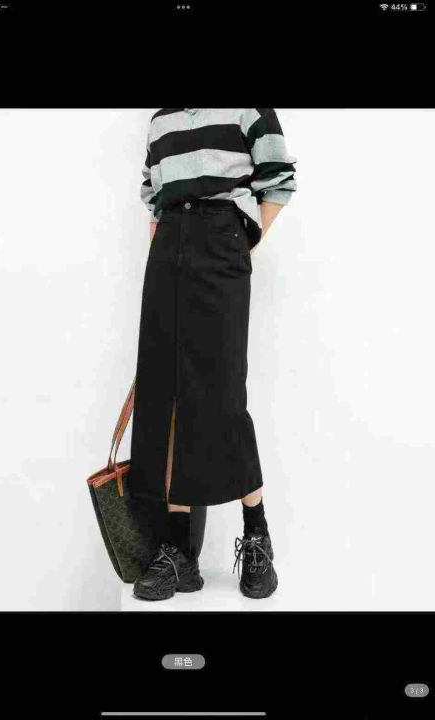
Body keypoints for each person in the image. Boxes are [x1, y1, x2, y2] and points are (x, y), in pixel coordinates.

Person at [129, 108, 297, 601]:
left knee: (222, 394)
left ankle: (257, 535)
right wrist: (163, 250)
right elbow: (153, 196)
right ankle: (179, 552)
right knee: (166, 393)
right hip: (167, 251)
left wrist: (242, 245)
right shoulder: (161, 120)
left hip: (222, 242)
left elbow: (279, 181)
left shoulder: (247, 109)